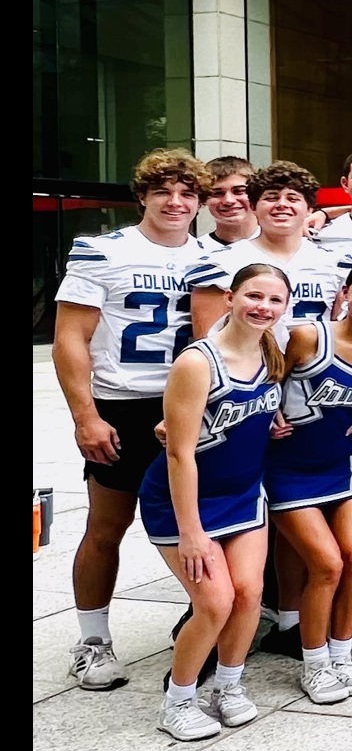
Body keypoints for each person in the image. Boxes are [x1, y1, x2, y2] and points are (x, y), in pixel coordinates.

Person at [55, 148, 211, 692]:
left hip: (191, 405)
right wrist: (85, 416)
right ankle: (92, 640)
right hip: (124, 403)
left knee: (200, 524)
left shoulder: (213, 256)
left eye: (187, 193)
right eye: (163, 191)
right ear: (141, 195)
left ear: (199, 201)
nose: (175, 202)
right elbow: (70, 337)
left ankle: (205, 621)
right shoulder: (103, 250)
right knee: (108, 525)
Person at [141, 263, 288, 740]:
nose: (263, 307)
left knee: (249, 595)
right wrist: (191, 532)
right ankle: (178, 701)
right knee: (214, 601)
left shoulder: (272, 354)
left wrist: (275, 420)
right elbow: (179, 452)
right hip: (182, 501)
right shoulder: (197, 361)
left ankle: (228, 686)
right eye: (254, 296)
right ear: (230, 297)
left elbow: (256, 411)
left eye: (274, 300)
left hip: (244, 494)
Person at [266, 260, 352, 702]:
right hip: (289, 467)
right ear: (345, 292)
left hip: (342, 464)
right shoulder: (308, 336)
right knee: (327, 565)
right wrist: (269, 414)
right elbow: (259, 377)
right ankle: (314, 663)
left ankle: (342, 654)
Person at [186, 160, 345, 333]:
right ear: (253, 207)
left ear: (309, 209)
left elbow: (341, 334)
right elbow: (208, 343)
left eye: (293, 198)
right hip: (248, 359)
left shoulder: (336, 263)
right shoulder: (220, 263)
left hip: (315, 359)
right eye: (271, 198)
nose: (282, 204)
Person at [204, 156, 258, 246]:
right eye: (217, 193)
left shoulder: (281, 246)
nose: (228, 200)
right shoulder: (194, 254)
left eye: (239, 191)